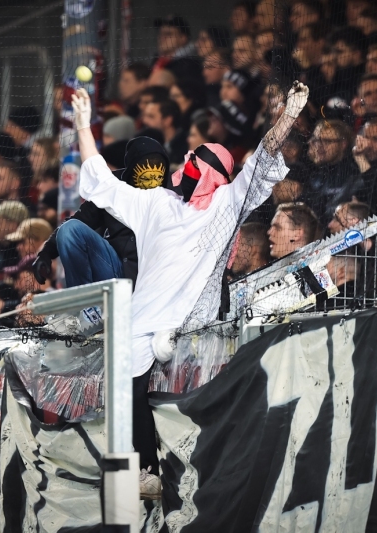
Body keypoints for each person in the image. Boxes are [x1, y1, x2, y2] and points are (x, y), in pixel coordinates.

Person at [68, 81, 306, 497]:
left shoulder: (229, 202)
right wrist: (83, 126)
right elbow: (102, 183)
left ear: (208, 169)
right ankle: (136, 483)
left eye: (193, 158)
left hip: (192, 324)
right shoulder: (157, 202)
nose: (183, 161)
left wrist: (288, 117)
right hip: (143, 323)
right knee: (124, 393)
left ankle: (190, 485)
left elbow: (263, 159)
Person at [33, 137, 170, 288]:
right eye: (146, 178)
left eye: (158, 177)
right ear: (131, 171)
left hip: (156, 276)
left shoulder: (175, 192)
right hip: (115, 270)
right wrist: (46, 253)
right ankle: (84, 305)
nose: (152, 183)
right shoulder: (112, 187)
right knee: (70, 230)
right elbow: (80, 219)